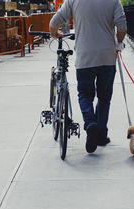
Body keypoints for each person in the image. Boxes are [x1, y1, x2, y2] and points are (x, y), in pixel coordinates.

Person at [49, 0, 127, 154]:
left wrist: (54, 33)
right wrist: (118, 42)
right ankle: (101, 135)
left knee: (85, 94)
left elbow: (54, 22)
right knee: (104, 98)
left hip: (85, 57)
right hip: (107, 57)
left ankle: (90, 124)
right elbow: (122, 27)